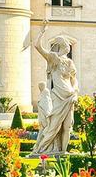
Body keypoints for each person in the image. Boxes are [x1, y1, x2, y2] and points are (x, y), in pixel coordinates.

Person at [31, 21, 78, 156]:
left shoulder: (70, 62)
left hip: (69, 97)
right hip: (58, 95)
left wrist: (75, 92)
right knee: (54, 126)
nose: (67, 47)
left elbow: (74, 80)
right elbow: (37, 46)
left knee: (68, 126)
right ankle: (42, 148)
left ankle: (63, 152)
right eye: (65, 45)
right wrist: (42, 31)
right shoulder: (53, 58)